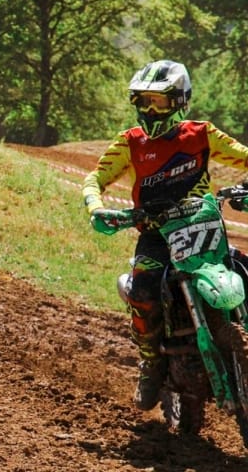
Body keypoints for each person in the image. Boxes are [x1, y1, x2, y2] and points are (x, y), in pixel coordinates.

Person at [83, 59, 248, 411]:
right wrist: (96, 207)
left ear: (179, 101)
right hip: (156, 234)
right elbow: (95, 178)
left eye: (158, 102)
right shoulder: (130, 142)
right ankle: (151, 364)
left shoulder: (202, 134)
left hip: (201, 224)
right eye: (143, 101)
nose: (150, 110)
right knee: (143, 292)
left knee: (245, 269)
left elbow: (245, 157)